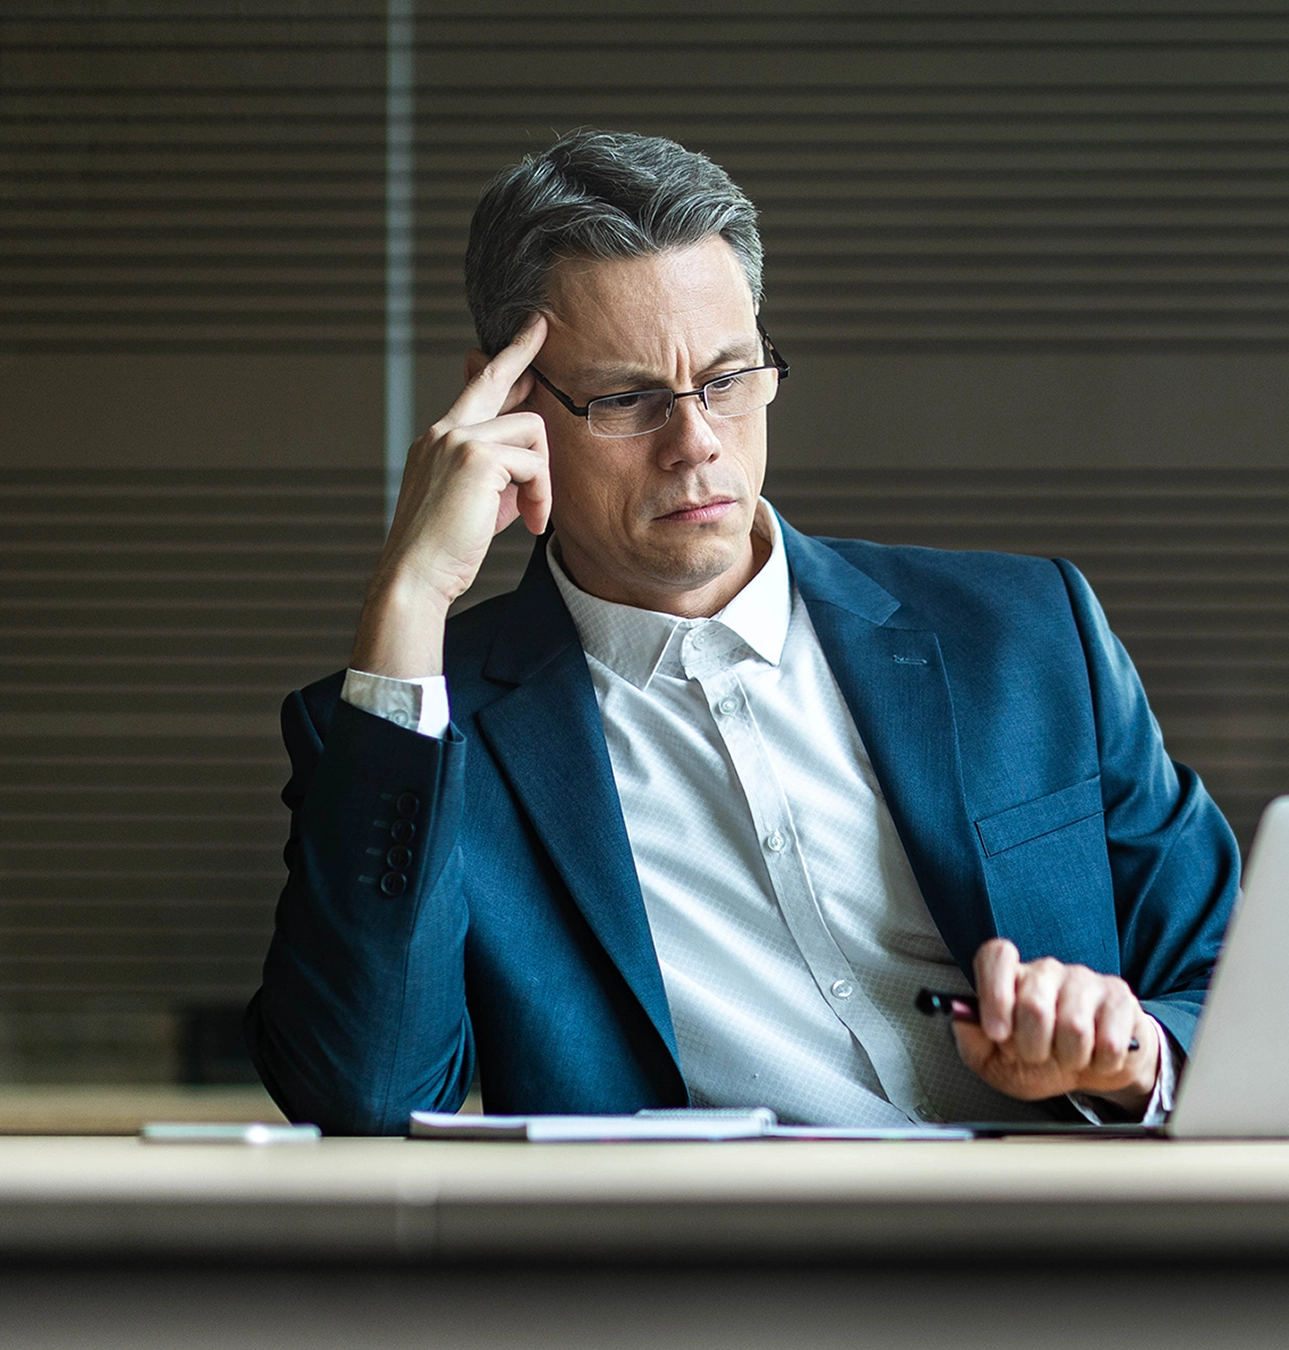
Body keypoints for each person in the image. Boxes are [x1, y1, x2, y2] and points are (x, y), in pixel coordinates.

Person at [247, 130, 1238, 1135]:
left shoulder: (1026, 636)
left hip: (1072, 1253)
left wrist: (1129, 1057)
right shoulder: (411, 734)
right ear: (504, 405)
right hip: (725, 1273)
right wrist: (413, 592)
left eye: (727, 378)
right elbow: (365, 1091)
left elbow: (1231, 974)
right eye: (628, 399)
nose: (696, 444)